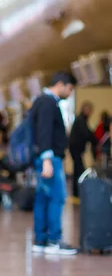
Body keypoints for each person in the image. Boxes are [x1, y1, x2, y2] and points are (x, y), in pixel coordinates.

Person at [31, 71, 78, 256]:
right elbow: (44, 132)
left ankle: (41, 240)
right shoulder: (48, 103)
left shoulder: (42, 101)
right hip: (50, 159)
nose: (70, 93)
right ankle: (53, 240)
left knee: (43, 198)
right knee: (57, 198)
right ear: (61, 84)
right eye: (70, 88)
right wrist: (47, 159)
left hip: (44, 158)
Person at [68, 101, 98, 201]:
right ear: (86, 110)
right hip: (76, 149)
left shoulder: (81, 119)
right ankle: (80, 193)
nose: (91, 113)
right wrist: (95, 139)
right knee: (80, 171)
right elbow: (87, 133)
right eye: (90, 111)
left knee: (77, 171)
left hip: (76, 149)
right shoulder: (81, 120)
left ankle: (77, 193)